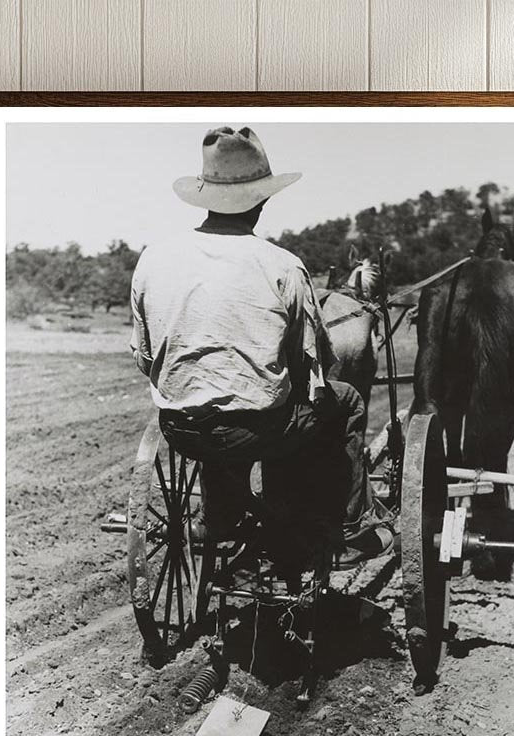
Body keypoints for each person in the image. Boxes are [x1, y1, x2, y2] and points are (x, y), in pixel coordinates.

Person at [129, 125, 393, 568]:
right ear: (263, 199)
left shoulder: (153, 258)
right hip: (259, 429)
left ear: (205, 195)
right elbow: (314, 368)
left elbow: (144, 357)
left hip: (181, 427)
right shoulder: (284, 266)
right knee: (343, 402)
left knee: (222, 414)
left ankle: (222, 516)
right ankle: (344, 526)